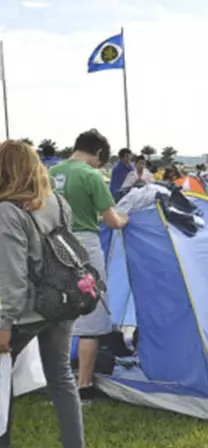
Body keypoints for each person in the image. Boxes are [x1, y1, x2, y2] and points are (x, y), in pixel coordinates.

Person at [0, 140, 85, 448]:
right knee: (61, 375)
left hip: (29, 308)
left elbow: (12, 276)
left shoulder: (8, 211)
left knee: (2, 373)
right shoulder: (58, 202)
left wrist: (4, 322)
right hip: (64, 300)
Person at [48, 130, 129, 401]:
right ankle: (84, 386)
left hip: (53, 245)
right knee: (91, 317)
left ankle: (56, 382)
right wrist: (125, 219)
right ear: (97, 154)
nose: (99, 165)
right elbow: (112, 220)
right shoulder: (91, 176)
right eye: (101, 160)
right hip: (83, 248)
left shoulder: (50, 174)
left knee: (59, 315)